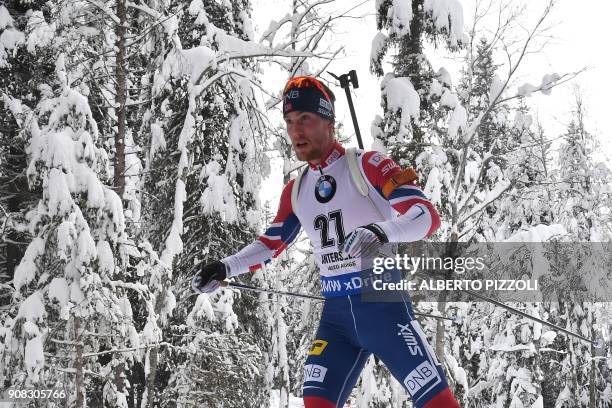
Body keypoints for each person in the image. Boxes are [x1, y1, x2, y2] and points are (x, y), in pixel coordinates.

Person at [192, 76, 461, 408]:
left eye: (305, 118)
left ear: (329, 121)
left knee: (438, 403)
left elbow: (426, 215)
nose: (295, 131)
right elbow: (271, 243)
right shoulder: (297, 189)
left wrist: (380, 232)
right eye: (290, 121)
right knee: (316, 401)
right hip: (336, 318)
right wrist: (225, 266)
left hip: (382, 307)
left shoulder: (366, 165)